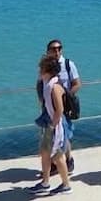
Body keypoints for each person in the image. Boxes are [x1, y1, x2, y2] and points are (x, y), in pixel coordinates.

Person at [36, 39, 81, 174]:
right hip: (47, 107)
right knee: (49, 135)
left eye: (59, 48)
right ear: (48, 51)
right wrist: (41, 100)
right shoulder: (46, 66)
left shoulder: (68, 64)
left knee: (63, 135)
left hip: (62, 107)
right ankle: (54, 163)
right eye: (53, 49)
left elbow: (77, 83)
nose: (57, 51)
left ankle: (68, 160)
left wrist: (66, 98)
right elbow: (40, 83)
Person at [31, 53, 72, 195]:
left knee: (57, 156)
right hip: (50, 123)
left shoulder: (54, 87)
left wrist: (52, 127)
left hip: (56, 125)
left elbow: (59, 109)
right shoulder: (47, 84)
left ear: (46, 70)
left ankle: (66, 185)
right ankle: (45, 182)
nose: (39, 70)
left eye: (41, 67)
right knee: (45, 153)